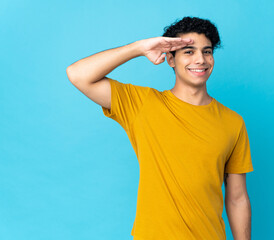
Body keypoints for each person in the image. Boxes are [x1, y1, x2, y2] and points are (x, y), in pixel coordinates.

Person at [66, 16, 254, 240]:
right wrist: (138, 48)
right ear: (170, 59)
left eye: (207, 51)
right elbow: (78, 74)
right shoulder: (142, 104)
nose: (200, 60)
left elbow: (237, 198)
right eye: (189, 51)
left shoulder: (233, 122)